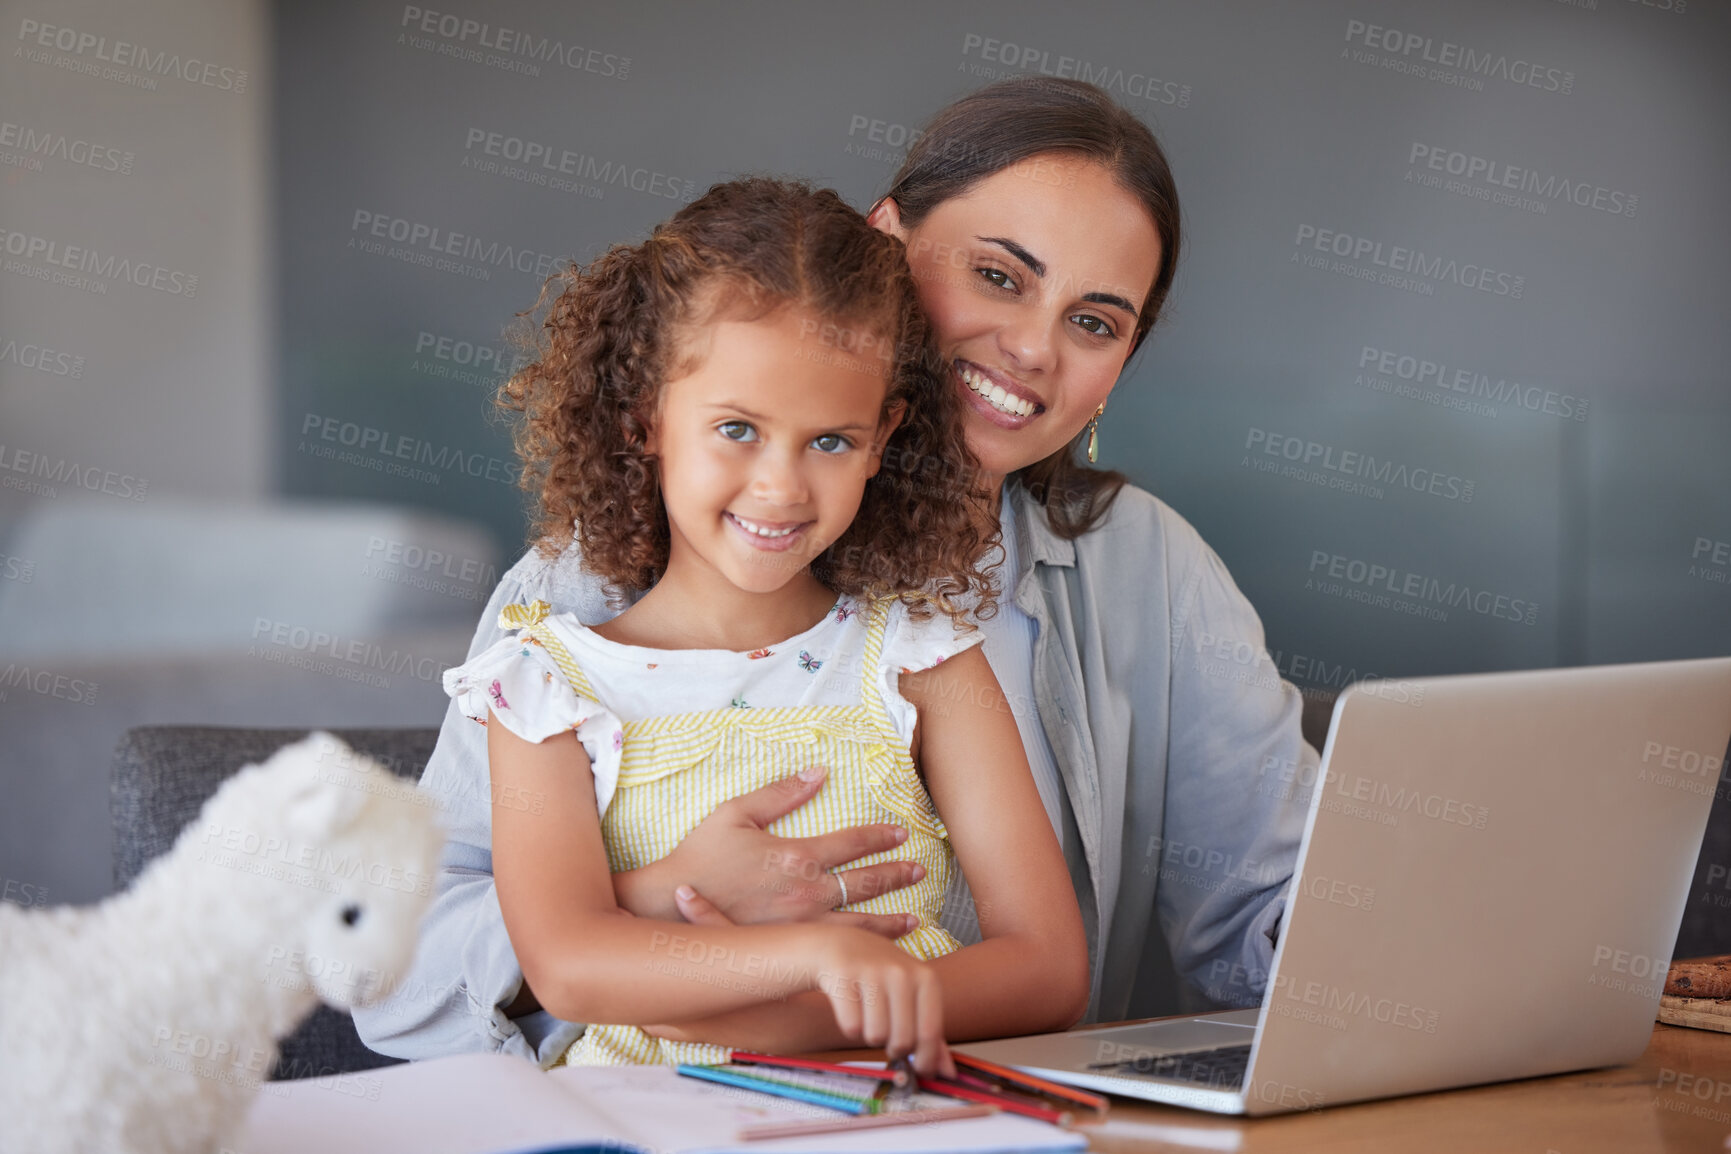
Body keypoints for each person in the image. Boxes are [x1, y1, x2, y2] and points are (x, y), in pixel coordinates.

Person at [354, 76, 1316, 1067]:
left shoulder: (1133, 575)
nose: (1033, 347)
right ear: (886, 248)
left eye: (1096, 322)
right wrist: (666, 901)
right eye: (998, 275)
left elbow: (1258, 915)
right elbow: (403, 973)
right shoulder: (579, 598)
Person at [419, 176, 1087, 1073]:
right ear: (645, 417)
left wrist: (815, 1019)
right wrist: (811, 957)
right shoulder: (541, 687)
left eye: (830, 441)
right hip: (647, 1120)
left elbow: (1047, 970)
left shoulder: (925, 658)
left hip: (896, 1113)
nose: (780, 487)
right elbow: (569, 964)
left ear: (883, 437)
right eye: (737, 428)